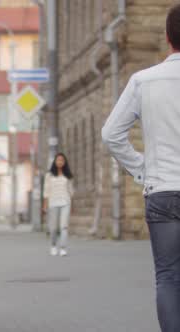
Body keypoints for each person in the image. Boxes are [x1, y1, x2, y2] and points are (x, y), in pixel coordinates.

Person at [102, 4, 180, 331]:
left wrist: (143, 170)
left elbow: (111, 134)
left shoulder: (143, 80)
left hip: (162, 191)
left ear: (167, 38)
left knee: (168, 277)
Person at [43, 153, 74, 257]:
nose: (60, 162)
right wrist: (45, 204)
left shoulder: (68, 176)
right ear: (55, 162)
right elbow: (46, 191)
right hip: (53, 203)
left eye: (62, 160)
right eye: (58, 160)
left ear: (64, 162)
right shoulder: (49, 175)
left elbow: (71, 191)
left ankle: (63, 248)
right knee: (53, 228)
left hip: (65, 202)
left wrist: (72, 205)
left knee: (64, 226)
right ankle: (53, 246)